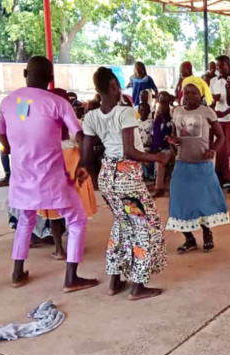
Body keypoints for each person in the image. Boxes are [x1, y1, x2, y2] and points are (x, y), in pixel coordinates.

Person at [0, 56, 99, 292]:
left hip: (22, 178)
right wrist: (84, 164)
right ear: (51, 78)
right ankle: (71, 278)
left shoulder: (8, 102)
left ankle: (17, 273)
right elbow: (79, 135)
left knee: (26, 220)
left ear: (25, 73)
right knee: (76, 220)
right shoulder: (57, 102)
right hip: (52, 178)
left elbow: (2, 137)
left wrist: (15, 149)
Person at [81, 66, 170, 300]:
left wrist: (87, 172)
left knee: (122, 224)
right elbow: (130, 151)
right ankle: (138, 287)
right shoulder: (125, 112)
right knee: (145, 226)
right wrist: (158, 157)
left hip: (107, 174)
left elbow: (86, 156)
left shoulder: (90, 116)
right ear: (112, 85)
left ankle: (114, 281)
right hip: (126, 176)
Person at [168, 80, 230, 254]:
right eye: (186, 93)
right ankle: (189, 239)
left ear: (201, 95)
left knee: (203, 203)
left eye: (194, 93)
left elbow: (221, 136)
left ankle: (207, 234)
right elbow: (174, 136)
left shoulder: (207, 111)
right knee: (179, 203)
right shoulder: (177, 111)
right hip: (182, 163)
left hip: (203, 164)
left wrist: (213, 151)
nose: (189, 96)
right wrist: (173, 142)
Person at [36, 88, 98, 261]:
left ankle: (59, 249)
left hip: (54, 168)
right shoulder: (74, 122)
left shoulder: (45, 123)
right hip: (74, 167)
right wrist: (84, 165)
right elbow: (84, 143)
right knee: (75, 212)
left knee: (55, 213)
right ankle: (74, 246)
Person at [210, 55, 230, 190]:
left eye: (221, 65)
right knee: (220, 150)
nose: (219, 68)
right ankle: (224, 177)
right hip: (218, 119)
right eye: (217, 65)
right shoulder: (213, 81)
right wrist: (213, 101)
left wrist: (225, 112)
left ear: (228, 65)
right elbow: (211, 101)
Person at [152, 91, 175, 197]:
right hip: (162, 147)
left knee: (161, 159)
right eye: (160, 101)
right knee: (159, 158)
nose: (162, 103)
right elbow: (156, 134)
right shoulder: (158, 114)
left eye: (164, 101)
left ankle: (159, 187)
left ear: (169, 101)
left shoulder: (173, 113)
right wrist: (155, 148)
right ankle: (159, 187)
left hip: (173, 147)